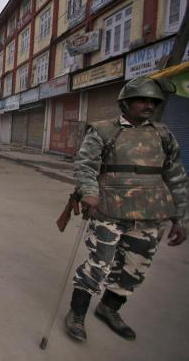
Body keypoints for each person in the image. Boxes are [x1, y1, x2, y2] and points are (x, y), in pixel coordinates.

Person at [65, 77, 187, 342]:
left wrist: (181, 218)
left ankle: (109, 308)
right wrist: (89, 192)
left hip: (149, 215)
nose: (149, 105)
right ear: (126, 103)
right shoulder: (103, 130)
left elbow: (176, 176)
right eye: (143, 100)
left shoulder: (163, 134)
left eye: (153, 102)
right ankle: (77, 313)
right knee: (100, 265)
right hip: (108, 210)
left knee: (135, 269)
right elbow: (85, 165)